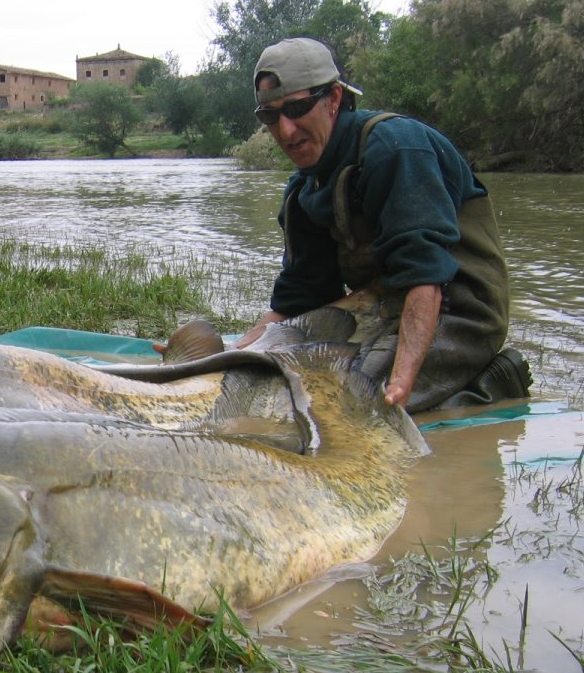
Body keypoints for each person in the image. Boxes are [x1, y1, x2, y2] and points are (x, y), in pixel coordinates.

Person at [226, 37, 528, 412]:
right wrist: (233, 352)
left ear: (333, 98)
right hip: (383, 304)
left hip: (458, 308)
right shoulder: (302, 188)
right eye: (270, 116)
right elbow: (299, 300)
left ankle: (491, 384)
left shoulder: (394, 148)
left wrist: (399, 385)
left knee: (347, 400)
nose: (285, 130)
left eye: (298, 108)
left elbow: (425, 278)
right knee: (272, 378)